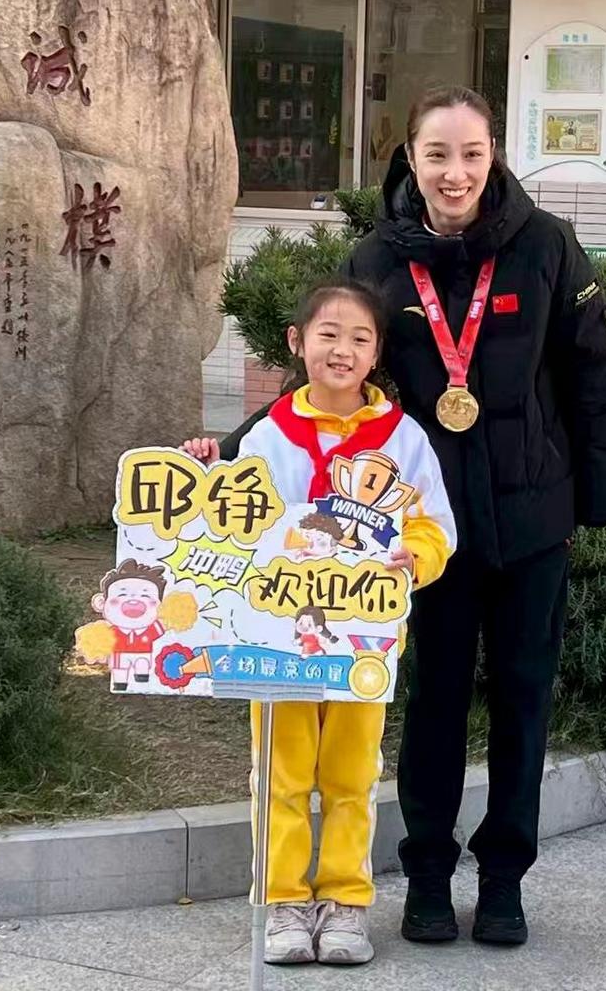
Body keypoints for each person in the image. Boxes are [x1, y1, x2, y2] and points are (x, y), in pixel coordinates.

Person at [223, 86, 606, 948]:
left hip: (530, 521)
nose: (455, 173)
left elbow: (592, 375)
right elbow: (329, 383)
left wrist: (597, 498)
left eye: (472, 154)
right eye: (437, 154)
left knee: (522, 701)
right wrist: (223, 456)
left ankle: (506, 879)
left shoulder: (548, 246)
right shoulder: (379, 257)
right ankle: (430, 877)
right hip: (419, 533)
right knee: (434, 700)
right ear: (410, 158)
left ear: (493, 155)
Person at [184, 279, 456, 968]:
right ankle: (282, 899)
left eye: (360, 338)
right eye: (328, 334)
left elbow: (433, 526)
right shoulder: (269, 433)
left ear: (377, 354)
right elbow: (223, 521)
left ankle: (344, 901)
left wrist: (416, 557)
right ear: (296, 342)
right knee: (279, 773)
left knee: (351, 775)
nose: (343, 350)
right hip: (277, 641)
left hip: (363, 643)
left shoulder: (404, 439)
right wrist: (202, 473)